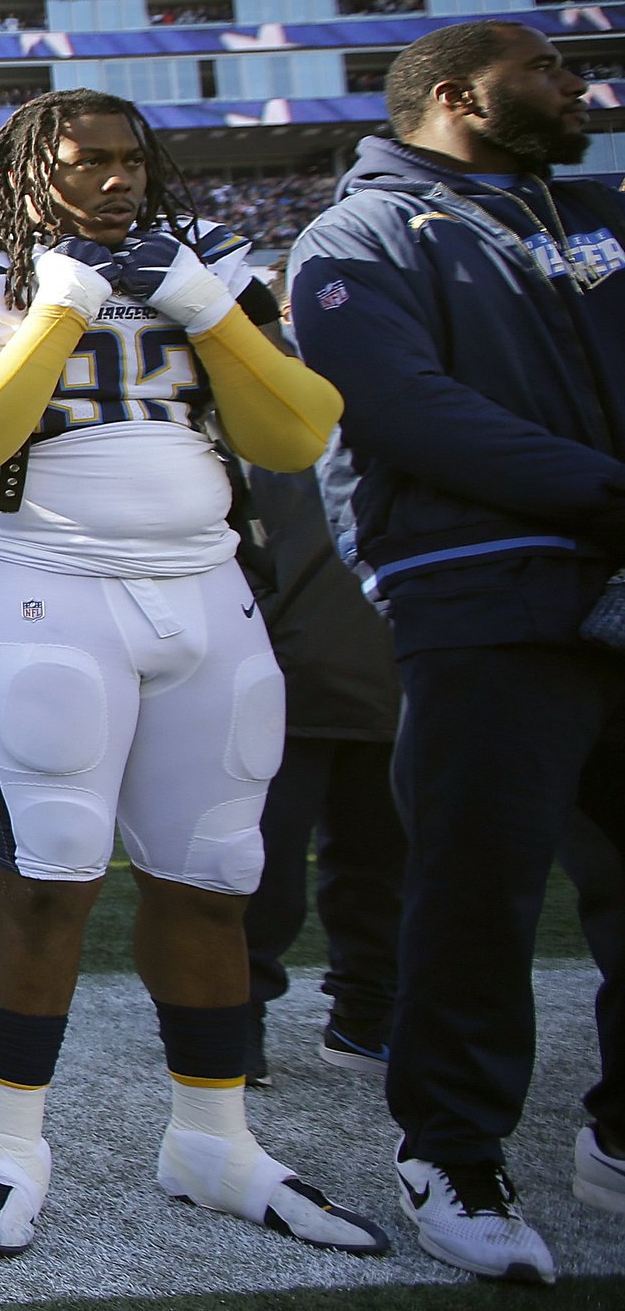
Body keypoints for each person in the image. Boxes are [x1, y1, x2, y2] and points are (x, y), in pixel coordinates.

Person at [0, 87, 384, 1264]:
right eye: (86, 163)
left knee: (216, 873)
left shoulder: (206, 262)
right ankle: (10, 1142)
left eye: (130, 160)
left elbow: (298, 432)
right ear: (23, 171)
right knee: (53, 874)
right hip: (50, 587)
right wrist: (59, 309)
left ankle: (213, 1139)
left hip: (206, 589)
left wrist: (206, 306)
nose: (117, 181)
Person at [285, 20, 625, 1282]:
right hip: (485, 592)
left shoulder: (598, 211)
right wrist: (607, 491)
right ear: (456, 93)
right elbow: (402, 407)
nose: (574, 83)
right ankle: (453, 1146)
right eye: (545, 66)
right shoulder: (359, 235)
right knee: (479, 884)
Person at [239, 463, 405, 1082]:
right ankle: (237, 1017)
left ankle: (365, 1013)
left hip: (392, 676)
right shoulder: (260, 432)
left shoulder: (394, 422)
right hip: (282, 682)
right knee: (261, 868)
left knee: (382, 868)